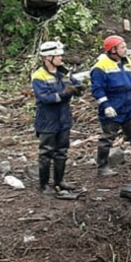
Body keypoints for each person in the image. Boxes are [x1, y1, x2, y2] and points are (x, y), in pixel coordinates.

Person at [91, 35, 131, 176]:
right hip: (113, 108)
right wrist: (106, 105)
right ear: (113, 50)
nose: (126, 50)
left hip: (128, 107)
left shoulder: (127, 62)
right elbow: (97, 89)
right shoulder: (100, 67)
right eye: (122, 47)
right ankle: (102, 167)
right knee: (107, 138)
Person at [32, 41, 82, 195]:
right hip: (48, 118)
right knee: (46, 152)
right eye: (58, 55)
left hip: (63, 117)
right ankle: (44, 184)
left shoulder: (64, 72)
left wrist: (79, 88)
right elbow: (46, 98)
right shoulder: (39, 76)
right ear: (48, 57)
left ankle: (59, 181)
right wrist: (67, 93)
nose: (61, 58)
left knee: (62, 150)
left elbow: (76, 85)